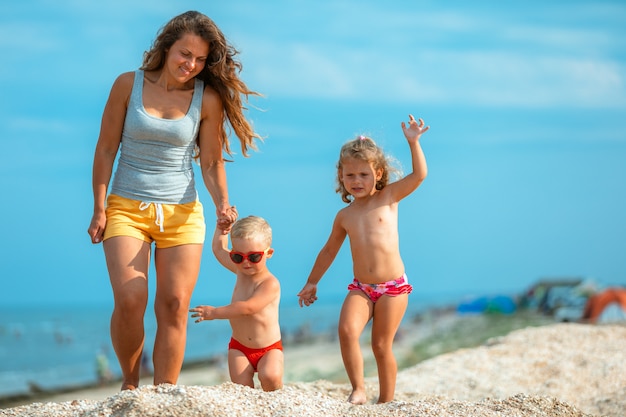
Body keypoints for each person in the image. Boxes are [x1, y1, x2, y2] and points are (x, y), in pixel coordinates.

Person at [87, 11, 260, 390]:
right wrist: (100, 207)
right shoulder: (126, 85)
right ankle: (131, 384)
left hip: (182, 213)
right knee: (131, 298)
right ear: (166, 48)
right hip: (126, 208)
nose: (191, 65)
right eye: (185, 54)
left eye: (199, 59)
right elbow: (105, 150)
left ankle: (164, 392)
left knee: (174, 305)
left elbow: (212, 161)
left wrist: (222, 204)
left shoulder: (206, 98)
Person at [297, 115, 430, 404]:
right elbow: (329, 250)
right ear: (341, 178)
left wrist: (413, 143)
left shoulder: (390, 197)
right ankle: (358, 388)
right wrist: (312, 282)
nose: (356, 181)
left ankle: (386, 401)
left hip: (393, 288)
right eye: (350, 175)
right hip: (362, 287)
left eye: (364, 175)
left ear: (379, 174)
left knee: (381, 346)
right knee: (346, 331)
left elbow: (419, 176)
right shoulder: (345, 216)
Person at [190, 215, 283, 391]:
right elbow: (218, 249)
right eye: (238, 257)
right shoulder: (241, 270)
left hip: (269, 348)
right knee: (242, 389)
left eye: (254, 257)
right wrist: (222, 228)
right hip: (239, 347)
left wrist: (214, 313)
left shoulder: (269, 283)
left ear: (268, 253)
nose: (246, 262)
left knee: (270, 377)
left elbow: (249, 308)